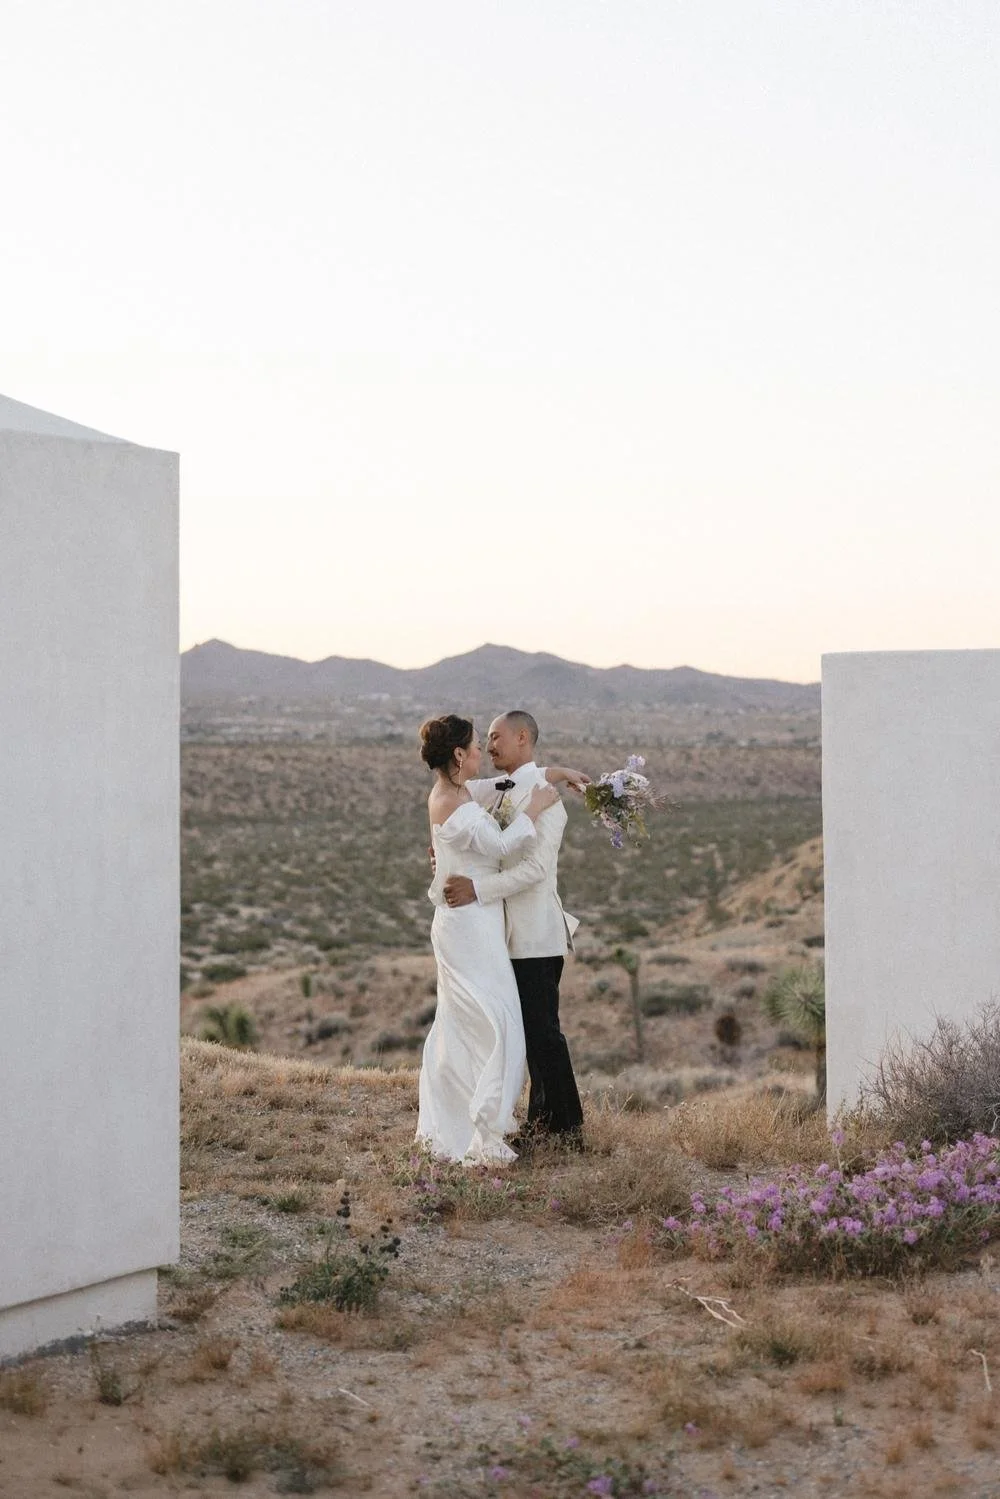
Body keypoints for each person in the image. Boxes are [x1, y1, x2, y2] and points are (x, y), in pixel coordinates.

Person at [416, 714, 560, 1164]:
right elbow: (500, 846)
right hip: (468, 924)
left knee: (475, 1023)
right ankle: (477, 1125)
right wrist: (534, 810)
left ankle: (472, 1116)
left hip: (477, 923)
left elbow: (508, 782)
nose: (483, 752)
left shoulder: (461, 790)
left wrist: (558, 774)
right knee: (493, 1021)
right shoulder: (450, 802)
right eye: (477, 745)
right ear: (459, 754)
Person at [443, 710, 588, 1149]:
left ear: (522, 737)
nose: (488, 747)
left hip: (535, 934)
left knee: (543, 1032)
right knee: (524, 1033)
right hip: (499, 936)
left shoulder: (549, 802)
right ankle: (541, 1124)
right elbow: (455, 802)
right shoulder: (492, 790)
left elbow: (535, 869)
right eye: (484, 740)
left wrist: (477, 889)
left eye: (495, 737)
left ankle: (568, 1130)